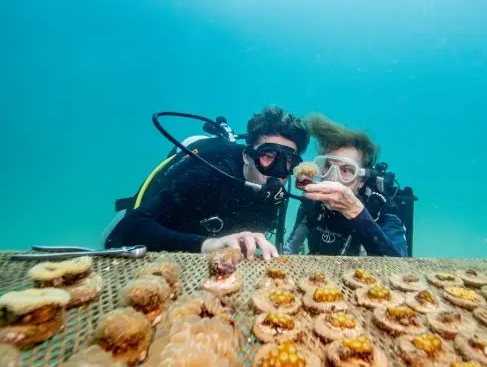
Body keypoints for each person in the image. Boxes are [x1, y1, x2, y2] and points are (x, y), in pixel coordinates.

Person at [105, 106, 310, 260]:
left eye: (288, 161)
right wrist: (208, 244)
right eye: (268, 156)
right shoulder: (207, 175)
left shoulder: (275, 196)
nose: (278, 170)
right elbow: (127, 230)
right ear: (247, 156)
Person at [283, 114, 408, 257]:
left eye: (346, 170)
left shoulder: (381, 210)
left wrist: (355, 212)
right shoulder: (312, 204)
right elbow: (291, 248)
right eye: (328, 166)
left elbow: (398, 265)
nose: (333, 178)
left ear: (361, 180)